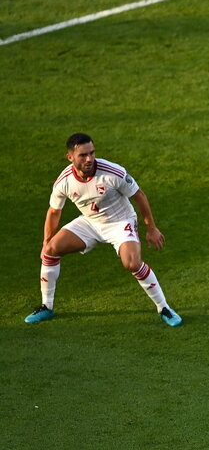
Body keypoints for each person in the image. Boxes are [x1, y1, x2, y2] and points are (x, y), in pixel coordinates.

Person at [25, 133, 182, 326]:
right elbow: (54, 211)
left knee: (132, 263)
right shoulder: (64, 181)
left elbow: (139, 195)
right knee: (50, 250)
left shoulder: (112, 172)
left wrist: (151, 227)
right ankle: (46, 307)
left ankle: (164, 308)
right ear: (70, 157)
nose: (90, 159)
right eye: (83, 155)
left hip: (120, 222)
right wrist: (45, 241)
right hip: (90, 222)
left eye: (92, 153)